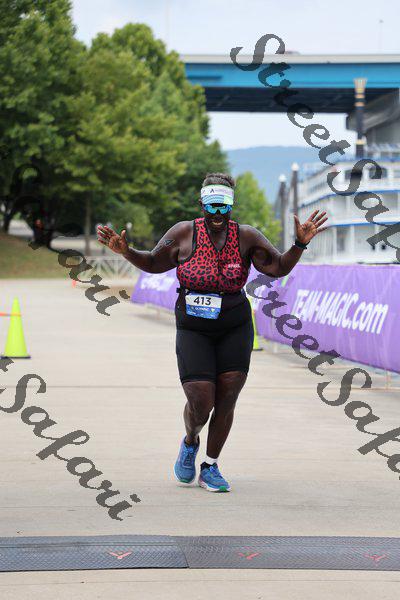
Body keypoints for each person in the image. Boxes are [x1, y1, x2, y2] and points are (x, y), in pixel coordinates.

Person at [97, 172, 328, 493]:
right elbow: (152, 263)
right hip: (194, 327)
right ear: (202, 204)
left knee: (227, 397)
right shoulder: (182, 233)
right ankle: (190, 441)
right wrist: (126, 251)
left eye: (224, 206)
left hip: (234, 324)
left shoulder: (246, 236)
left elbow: (277, 267)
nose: (218, 213)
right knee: (201, 400)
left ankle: (210, 465)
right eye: (212, 206)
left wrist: (299, 244)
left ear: (231, 205)